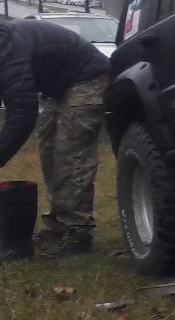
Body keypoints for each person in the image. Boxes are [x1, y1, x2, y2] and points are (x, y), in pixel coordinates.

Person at [0, 16, 110, 258]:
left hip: (87, 77)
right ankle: (58, 224)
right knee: (49, 150)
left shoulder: (9, 51)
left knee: (71, 154)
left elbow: (22, 114)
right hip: (58, 85)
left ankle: (78, 233)